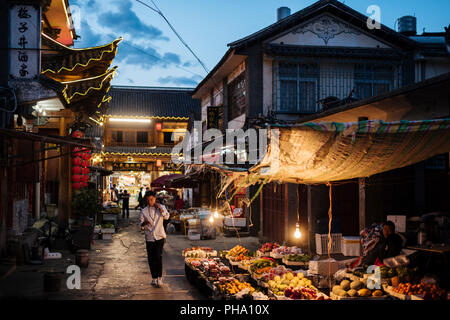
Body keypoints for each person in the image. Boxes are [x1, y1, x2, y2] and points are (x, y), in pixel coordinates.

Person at [140, 191, 170, 288]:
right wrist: (144, 224)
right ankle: (154, 277)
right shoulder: (144, 211)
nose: (150, 202)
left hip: (160, 236)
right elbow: (140, 226)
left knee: (158, 256)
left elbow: (167, 217)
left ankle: (159, 278)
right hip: (149, 237)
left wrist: (161, 209)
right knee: (151, 258)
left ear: (155, 199)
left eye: (152, 199)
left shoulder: (161, 207)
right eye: (148, 200)